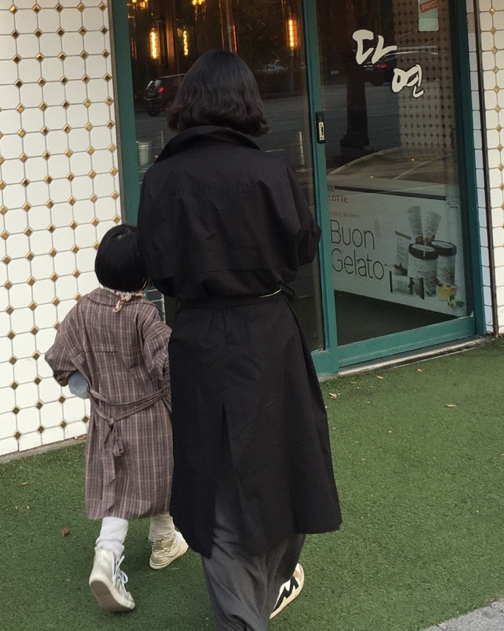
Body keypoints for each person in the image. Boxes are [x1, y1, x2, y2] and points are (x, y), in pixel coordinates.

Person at [137, 50, 342, 630]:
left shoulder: (162, 178)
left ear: (188, 102)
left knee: (218, 478)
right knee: (289, 464)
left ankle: (251, 601)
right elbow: (302, 246)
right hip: (268, 333)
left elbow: (156, 266)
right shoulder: (269, 170)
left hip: (199, 334)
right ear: (247, 101)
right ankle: (252, 605)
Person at [44, 223, 188, 613]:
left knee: (122, 487)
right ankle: (109, 557)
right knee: (149, 483)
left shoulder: (84, 308)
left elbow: (59, 359)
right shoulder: (145, 315)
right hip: (150, 419)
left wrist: (88, 387)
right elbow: (169, 366)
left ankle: (156, 541)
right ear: (145, 273)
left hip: (106, 418)